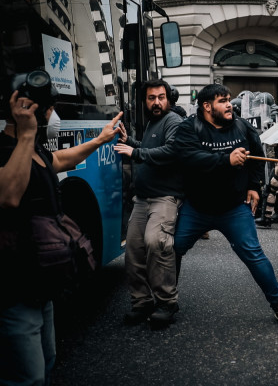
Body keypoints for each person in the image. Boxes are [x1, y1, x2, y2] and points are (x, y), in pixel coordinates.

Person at [0, 70, 122, 385]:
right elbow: (9, 196)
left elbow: (62, 160)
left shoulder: (36, 150)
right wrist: (26, 134)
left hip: (40, 282)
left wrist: (100, 139)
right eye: (50, 107)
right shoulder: (7, 148)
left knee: (47, 361)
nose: (54, 114)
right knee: (27, 376)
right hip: (14, 284)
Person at [171, 83, 278, 330]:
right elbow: (188, 159)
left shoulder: (241, 126)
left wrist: (254, 185)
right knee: (173, 249)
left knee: (255, 256)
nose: (229, 104)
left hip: (233, 208)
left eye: (229, 99)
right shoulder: (189, 128)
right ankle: (167, 301)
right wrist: (226, 159)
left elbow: (256, 156)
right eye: (222, 101)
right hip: (197, 209)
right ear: (207, 106)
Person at [115, 79, 184, 328]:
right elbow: (149, 149)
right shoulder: (153, 123)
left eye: (161, 97)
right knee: (133, 250)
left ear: (168, 99)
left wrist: (135, 153)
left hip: (165, 197)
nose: (156, 102)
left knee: (157, 243)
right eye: (151, 98)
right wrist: (132, 142)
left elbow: (172, 152)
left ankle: (167, 302)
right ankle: (142, 302)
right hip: (143, 199)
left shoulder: (173, 121)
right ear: (144, 101)